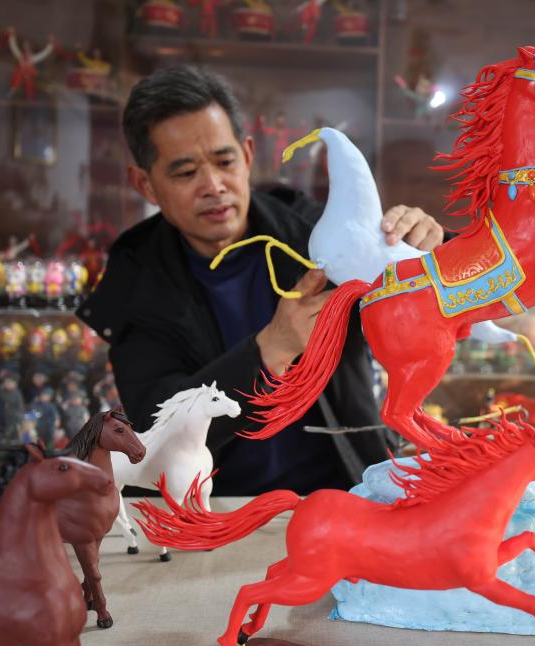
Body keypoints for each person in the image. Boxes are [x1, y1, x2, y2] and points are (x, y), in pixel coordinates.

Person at [78, 65, 444, 495]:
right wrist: (270, 350)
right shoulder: (135, 279)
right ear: (145, 184)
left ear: (248, 155)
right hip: (210, 506)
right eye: (185, 172)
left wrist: (426, 244)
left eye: (225, 162)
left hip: (343, 492)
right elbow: (151, 434)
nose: (214, 186)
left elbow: (448, 294)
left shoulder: (313, 231)